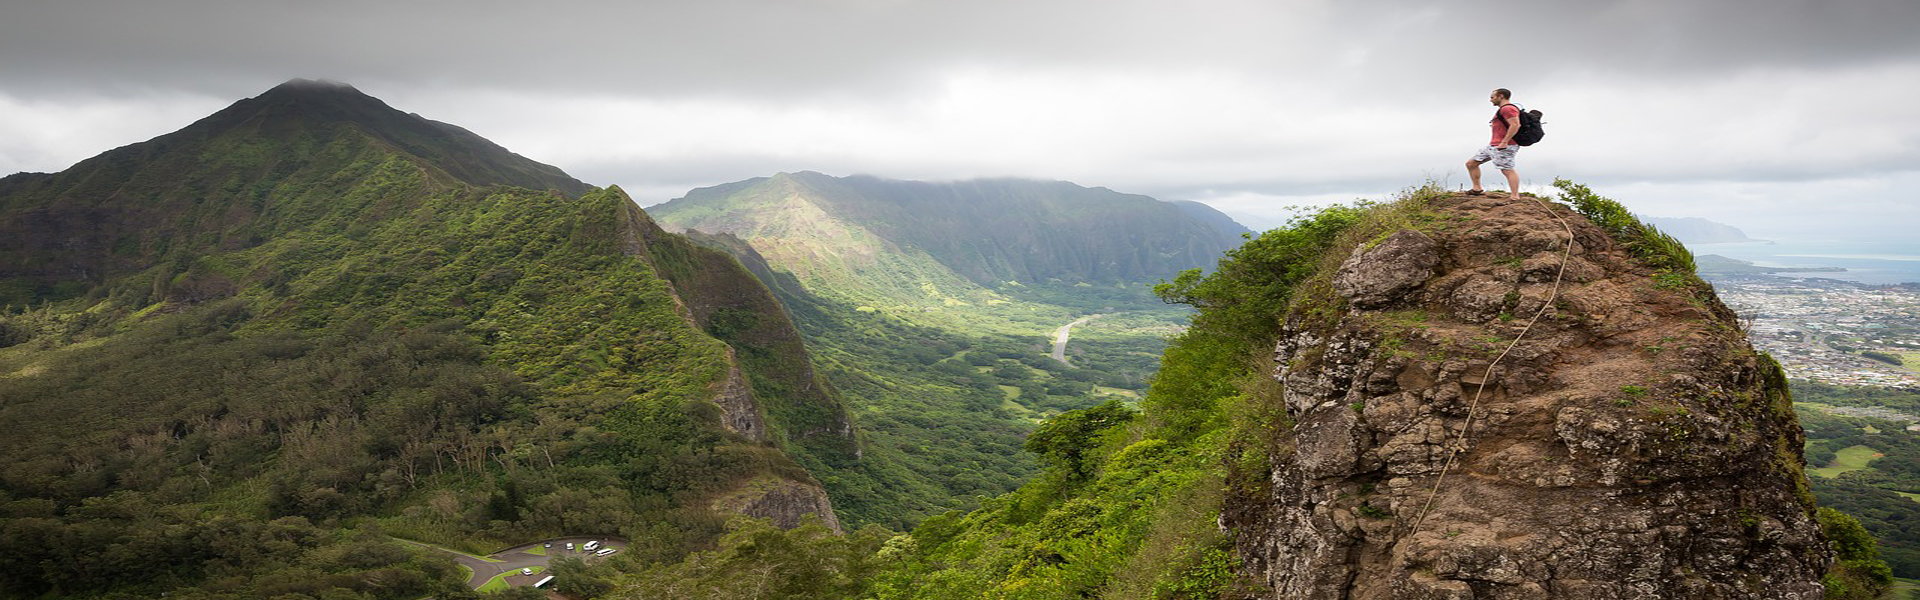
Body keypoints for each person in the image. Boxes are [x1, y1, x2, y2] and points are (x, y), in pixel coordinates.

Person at [1466, 88, 1522, 197]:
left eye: (1492, 97)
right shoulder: (1503, 110)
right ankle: (1477, 189)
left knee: (1507, 170)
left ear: (1501, 96)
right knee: (1471, 163)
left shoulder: (1508, 109)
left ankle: (1515, 196)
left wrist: (1504, 142)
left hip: (1506, 145)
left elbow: (1515, 125)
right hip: (1493, 145)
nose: (1490, 100)